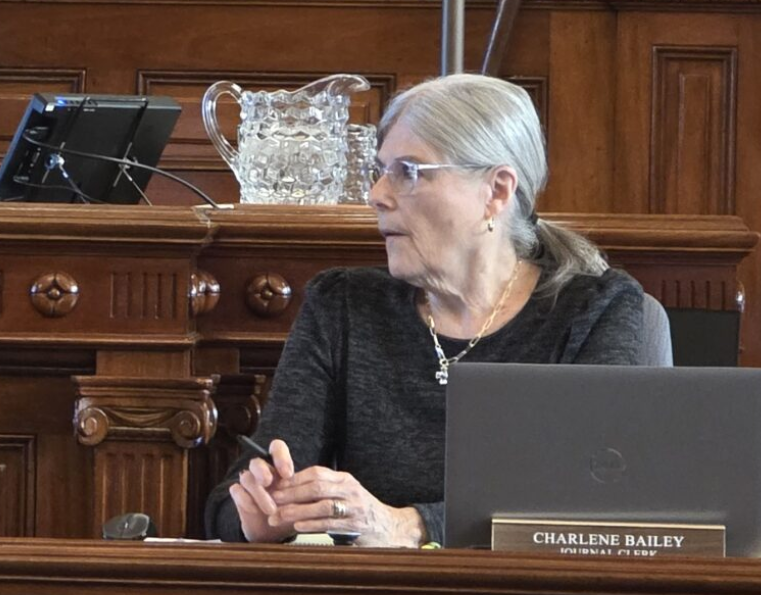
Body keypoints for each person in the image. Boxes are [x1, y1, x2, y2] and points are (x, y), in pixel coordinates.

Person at [206, 73, 653, 547]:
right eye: (380, 171)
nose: (377, 194)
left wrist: (411, 526)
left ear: (497, 191)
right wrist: (257, 517)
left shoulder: (594, 310)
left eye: (408, 172)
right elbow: (229, 502)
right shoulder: (342, 306)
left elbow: (591, 503)